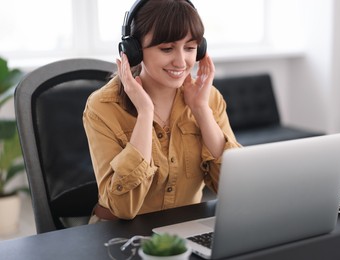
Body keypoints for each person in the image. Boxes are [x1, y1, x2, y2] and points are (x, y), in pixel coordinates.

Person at [83, 0, 240, 222]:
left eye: (190, 47)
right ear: (134, 51)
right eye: (166, 48)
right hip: (118, 235)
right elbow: (122, 207)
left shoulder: (209, 98)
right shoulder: (103, 106)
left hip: (183, 233)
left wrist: (201, 110)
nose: (181, 62)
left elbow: (235, 188)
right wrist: (145, 113)